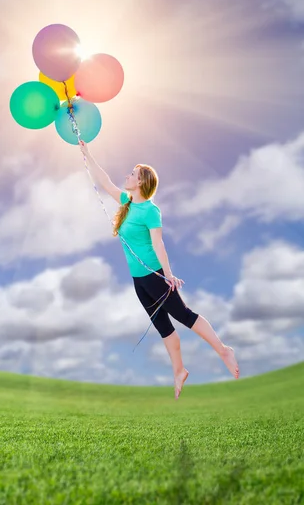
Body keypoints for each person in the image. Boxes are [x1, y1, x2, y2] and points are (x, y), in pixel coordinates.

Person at [79, 140, 239, 400]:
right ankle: (179, 371)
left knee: (185, 316)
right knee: (163, 326)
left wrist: (168, 274)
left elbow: (158, 243)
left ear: (141, 182)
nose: (127, 176)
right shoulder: (127, 203)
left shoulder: (150, 211)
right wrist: (87, 152)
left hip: (154, 277)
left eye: (133, 174)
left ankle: (223, 350)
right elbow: (104, 180)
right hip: (139, 281)